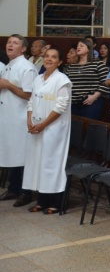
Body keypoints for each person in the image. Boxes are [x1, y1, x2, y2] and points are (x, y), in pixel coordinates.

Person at [22, 46, 72, 214]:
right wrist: (29, 120)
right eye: (47, 56)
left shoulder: (62, 80)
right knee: (38, 163)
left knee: (52, 163)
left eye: (53, 57)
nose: (49, 59)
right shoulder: (38, 78)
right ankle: (42, 201)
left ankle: (57, 202)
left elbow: (60, 107)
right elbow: (31, 102)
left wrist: (43, 125)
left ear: (60, 62)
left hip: (54, 129)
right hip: (36, 128)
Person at [0, 35, 38, 207]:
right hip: (8, 117)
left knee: (22, 156)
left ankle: (26, 192)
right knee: (11, 153)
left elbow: (29, 94)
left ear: (23, 49)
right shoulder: (8, 66)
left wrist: (9, 85)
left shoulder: (27, 67)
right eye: (9, 42)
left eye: (15, 43)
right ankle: (14, 187)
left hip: (20, 118)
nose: (10, 45)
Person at [64, 38, 110, 120]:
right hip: (73, 102)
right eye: (78, 46)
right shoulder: (72, 66)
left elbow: (107, 83)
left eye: (81, 46)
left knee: (88, 129)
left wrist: (95, 96)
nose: (78, 47)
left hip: (91, 102)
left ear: (89, 49)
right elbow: (66, 84)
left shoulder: (97, 63)